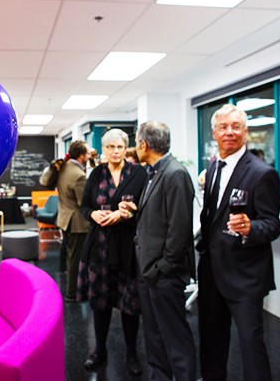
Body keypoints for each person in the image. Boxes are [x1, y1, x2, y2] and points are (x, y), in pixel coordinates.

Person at [196, 104, 280, 381]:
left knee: (250, 345)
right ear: (214, 133)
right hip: (211, 272)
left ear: (245, 132)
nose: (229, 132)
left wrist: (250, 227)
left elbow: (272, 225)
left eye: (236, 127)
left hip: (245, 275)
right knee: (211, 342)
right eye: (223, 127)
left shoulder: (261, 173)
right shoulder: (212, 168)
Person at [119, 121, 197, 380]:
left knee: (175, 336)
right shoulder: (154, 172)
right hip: (148, 270)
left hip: (163, 273)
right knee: (153, 334)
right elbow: (160, 219)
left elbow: (179, 229)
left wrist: (161, 268)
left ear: (143, 145)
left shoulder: (175, 174)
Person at [77, 129, 147, 376]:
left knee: (130, 305)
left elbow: (145, 208)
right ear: (103, 150)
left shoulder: (138, 173)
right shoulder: (96, 173)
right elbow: (85, 205)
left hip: (127, 246)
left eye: (119, 147)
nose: (115, 152)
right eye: (110, 147)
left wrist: (126, 214)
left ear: (125, 148)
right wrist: (92, 214)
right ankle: (99, 351)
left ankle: (131, 353)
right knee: (101, 304)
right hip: (100, 247)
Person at [56, 140, 90, 302]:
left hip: (64, 218)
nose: (90, 155)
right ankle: (72, 293)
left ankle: (71, 290)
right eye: (88, 153)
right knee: (76, 259)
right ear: (82, 156)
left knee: (70, 256)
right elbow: (83, 203)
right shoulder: (79, 175)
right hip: (77, 223)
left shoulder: (64, 168)